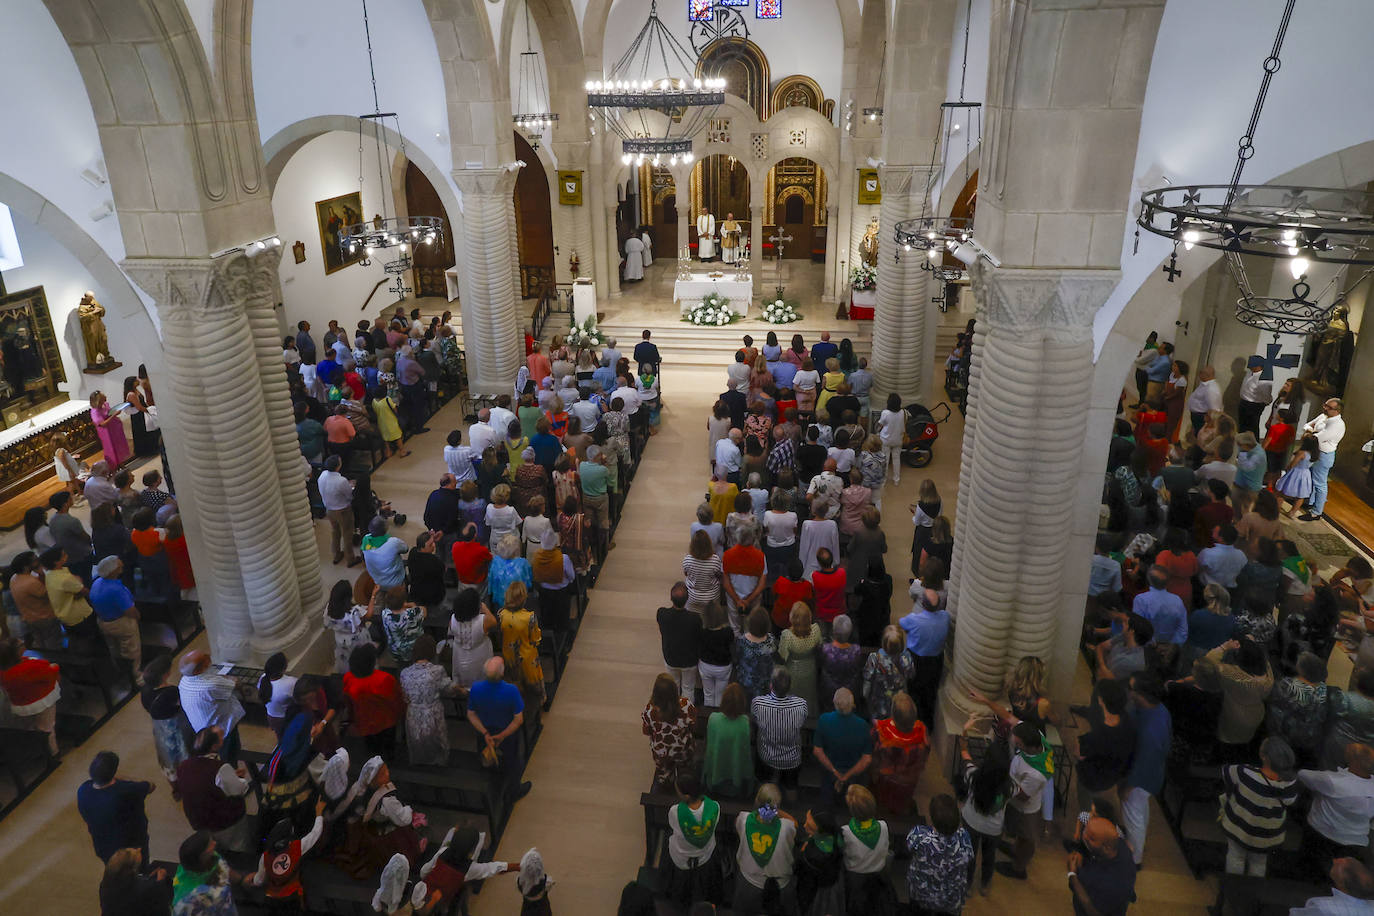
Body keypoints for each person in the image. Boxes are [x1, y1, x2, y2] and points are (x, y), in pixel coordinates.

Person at [1218, 736, 1298, 876]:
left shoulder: (1245, 773)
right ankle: (1253, 890)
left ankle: (1233, 889)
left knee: (1236, 857)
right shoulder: (1291, 784)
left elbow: (1226, 772)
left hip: (1240, 827)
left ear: (1265, 757)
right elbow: (1290, 801)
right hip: (1268, 834)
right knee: (1259, 863)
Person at [1299, 742, 1374, 872]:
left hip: (1321, 835)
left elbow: (1302, 775)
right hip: (1357, 842)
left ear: (1353, 761)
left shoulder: (1334, 781)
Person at [176, 727, 254, 852]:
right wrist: (238, 779)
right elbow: (241, 789)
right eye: (221, 737)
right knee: (237, 849)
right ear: (214, 746)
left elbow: (203, 783)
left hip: (200, 821)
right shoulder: (221, 768)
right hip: (224, 822)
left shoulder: (184, 765)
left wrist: (229, 776)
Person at [1122, 670, 1171, 866]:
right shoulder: (1160, 710)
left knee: (1133, 815)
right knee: (1140, 810)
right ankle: (1137, 847)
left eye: (1131, 688)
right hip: (1151, 774)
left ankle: (1135, 859)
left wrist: (1128, 786)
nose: (1128, 691)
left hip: (1142, 778)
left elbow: (1144, 764)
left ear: (1141, 695)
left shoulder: (1151, 731)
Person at [466, 657, 533, 801]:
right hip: (507, 733)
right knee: (513, 761)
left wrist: (485, 732)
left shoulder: (476, 688)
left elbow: (471, 714)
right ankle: (514, 791)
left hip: (485, 733)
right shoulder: (511, 691)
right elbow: (518, 720)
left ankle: (492, 789)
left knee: (486, 758)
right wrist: (502, 735)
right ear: (502, 673)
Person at [78, 751, 157, 866]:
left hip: (104, 846)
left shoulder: (83, 790)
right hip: (132, 846)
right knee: (140, 869)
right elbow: (150, 785)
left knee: (115, 870)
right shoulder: (126, 791)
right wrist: (123, 779)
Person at [994, 721, 1050, 880]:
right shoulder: (1036, 738)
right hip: (1015, 802)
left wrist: (1001, 784)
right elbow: (1011, 719)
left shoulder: (1036, 773)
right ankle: (1015, 849)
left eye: (1018, 743)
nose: (1014, 742)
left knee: (1026, 838)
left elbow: (1023, 795)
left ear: (1029, 747)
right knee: (1019, 835)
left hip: (1024, 809)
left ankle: (1018, 868)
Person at [732, 783, 798, 914]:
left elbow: (737, 826)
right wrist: (776, 810)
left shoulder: (743, 819)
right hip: (780, 885)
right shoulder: (787, 827)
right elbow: (795, 823)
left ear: (757, 801)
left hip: (749, 884)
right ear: (777, 806)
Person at [663, 772, 725, 907]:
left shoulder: (675, 811)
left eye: (677, 791)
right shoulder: (714, 806)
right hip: (706, 856)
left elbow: (673, 826)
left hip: (682, 857)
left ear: (686, 796)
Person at [905, 793, 974, 916]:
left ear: (931, 818)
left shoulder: (919, 835)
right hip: (951, 901)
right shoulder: (964, 838)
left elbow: (909, 847)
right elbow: (969, 857)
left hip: (921, 896)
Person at [958, 739, 1010, 897]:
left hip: (971, 822)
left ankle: (966, 886)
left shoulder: (973, 775)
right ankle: (985, 884)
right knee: (989, 856)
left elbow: (966, 758)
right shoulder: (1009, 786)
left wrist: (964, 745)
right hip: (993, 829)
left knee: (970, 854)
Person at [870, 692, 929, 816]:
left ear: (893, 715)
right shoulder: (922, 732)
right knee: (901, 802)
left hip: (885, 778)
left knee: (883, 800)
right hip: (909, 780)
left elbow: (872, 752)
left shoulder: (880, 731)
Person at [342, 643, 403, 758]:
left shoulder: (348, 678)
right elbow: (396, 699)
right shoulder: (384, 679)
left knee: (371, 745)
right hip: (386, 721)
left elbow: (348, 701)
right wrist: (400, 714)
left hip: (363, 720)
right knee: (388, 745)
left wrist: (352, 718)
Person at [1067, 816, 1137, 916]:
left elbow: (1092, 911)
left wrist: (1072, 875)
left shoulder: (1108, 882)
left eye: (1091, 838)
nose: (1084, 837)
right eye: (1085, 831)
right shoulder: (1120, 846)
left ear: (1106, 847)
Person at [813, 687, 872, 805]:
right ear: (853, 705)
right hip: (854, 776)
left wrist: (835, 772)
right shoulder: (863, 725)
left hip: (830, 775)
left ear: (834, 703)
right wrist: (846, 776)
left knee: (826, 805)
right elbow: (867, 759)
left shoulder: (824, 720)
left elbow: (817, 751)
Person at [752, 666, 809, 788]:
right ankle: (791, 805)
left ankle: (764, 797)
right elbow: (802, 722)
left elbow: (755, 719)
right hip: (792, 758)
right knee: (791, 787)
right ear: (790, 686)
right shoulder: (801, 704)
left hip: (766, 756)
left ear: (771, 685)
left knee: (764, 786)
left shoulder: (758, 703)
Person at [643, 673, 697, 789]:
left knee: (664, 774)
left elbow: (646, 731)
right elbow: (693, 726)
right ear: (675, 690)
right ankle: (685, 781)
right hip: (683, 749)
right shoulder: (685, 705)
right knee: (686, 768)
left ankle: (666, 782)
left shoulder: (649, 710)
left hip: (661, 752)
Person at [703, 683, 755, 799]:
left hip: (717, 765)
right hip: (736, 767)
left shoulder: (713, 718)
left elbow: (709, 745)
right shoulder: (745, 722)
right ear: (743, 703)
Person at [1300, 396, 1345, 521]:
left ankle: (1316, 512)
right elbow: (1307, 425)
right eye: (1325, 405)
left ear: (1337, 411)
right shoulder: (1324, 416)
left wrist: (1310, 433)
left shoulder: (1338, 424)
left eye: (1329, 407)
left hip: (1324, 455)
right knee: (1309, 477)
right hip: (1314, 451)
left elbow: (1318, 438)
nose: (1324, 408)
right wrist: (1309, 430)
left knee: (1320, 483)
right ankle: (1309, 502)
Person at [658, 582, 702, 698]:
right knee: (688, 689)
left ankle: (672, 711)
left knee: (673, 688)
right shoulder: (695, 619)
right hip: (689, 660)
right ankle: (686, 713)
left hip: (671, 658)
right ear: (687, 599)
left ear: (670, 598)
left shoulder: (662, 614)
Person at [99, 847, 172, 916]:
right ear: (132, 870)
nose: (139, 849)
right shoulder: (148, 889)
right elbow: (163, 910)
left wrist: (147, 879)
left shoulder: (104, 885)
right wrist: (160, 882)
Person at [864, 626, 915, 719]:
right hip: (899, 699)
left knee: (880, 722)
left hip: (880, 698)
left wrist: (865, 694)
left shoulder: (874, 658)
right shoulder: (906, 657)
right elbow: (911, 674)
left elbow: (868, 678)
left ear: (883, 642)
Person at [779, 602, 822, 712]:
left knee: (793, 697)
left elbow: (782, 657)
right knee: (808, 694)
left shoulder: (787, 635)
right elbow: (820, 646)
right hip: (810, 668)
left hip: (793, 670)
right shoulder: (816, 630)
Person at [735, 606, 777, 699]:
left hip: (746, 682)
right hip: (764, 685)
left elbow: (737, 658)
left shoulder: (742, 641)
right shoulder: (771, 640)